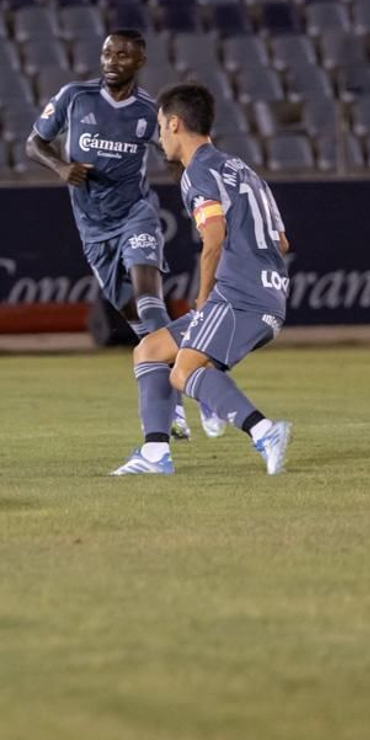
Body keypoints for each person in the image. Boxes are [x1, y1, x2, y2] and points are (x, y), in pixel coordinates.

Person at [27, 32, 216, 441]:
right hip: (93, 229)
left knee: (151, 302)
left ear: (140, 61)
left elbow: (175, 158)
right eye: (108, 53)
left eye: (123, 54)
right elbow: (34, 143)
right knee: (141, 325)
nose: (112, 60)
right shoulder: (75, 97)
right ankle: (192, 384)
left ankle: (177, 406)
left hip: (136, 216)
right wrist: (60, 168)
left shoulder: (150, 112)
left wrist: (196, 200)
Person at [115, 82, 295, 476]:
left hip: (239, 294)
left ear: (175, 124)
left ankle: (264, 431)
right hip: (268, 292)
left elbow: (213, 238)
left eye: (161, 126)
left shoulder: (198, 172)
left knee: (183, 371)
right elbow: (281, 241)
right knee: (150, 351)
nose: (160, 136)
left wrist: (203, 298)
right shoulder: (240, 168)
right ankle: (155, 454)